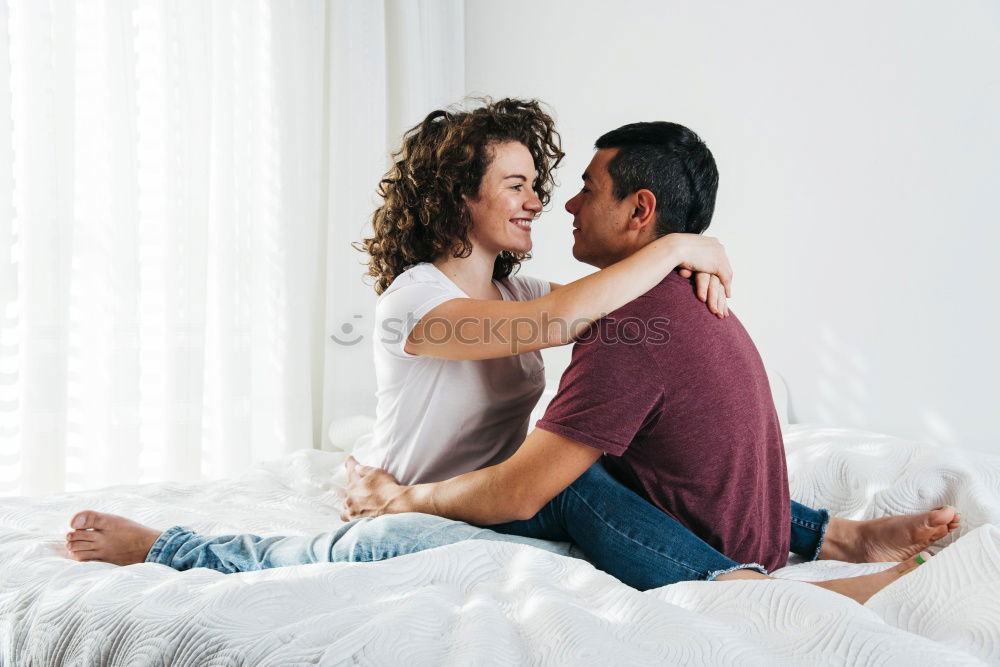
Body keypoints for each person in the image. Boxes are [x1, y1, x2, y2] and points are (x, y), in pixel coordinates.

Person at [65, 101, 958, 603]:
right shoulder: (417, 299)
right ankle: (166, 544)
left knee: (620, 466)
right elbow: (567, 316)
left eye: (549, 184)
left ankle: (827, 536)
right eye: (520, 185)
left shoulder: (521, 293)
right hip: (406, 506)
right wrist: (682, 246)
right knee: (306, 560)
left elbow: (580, 315)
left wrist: (690, 250)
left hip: (492, 500)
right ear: (462, 197)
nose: (544, 202)